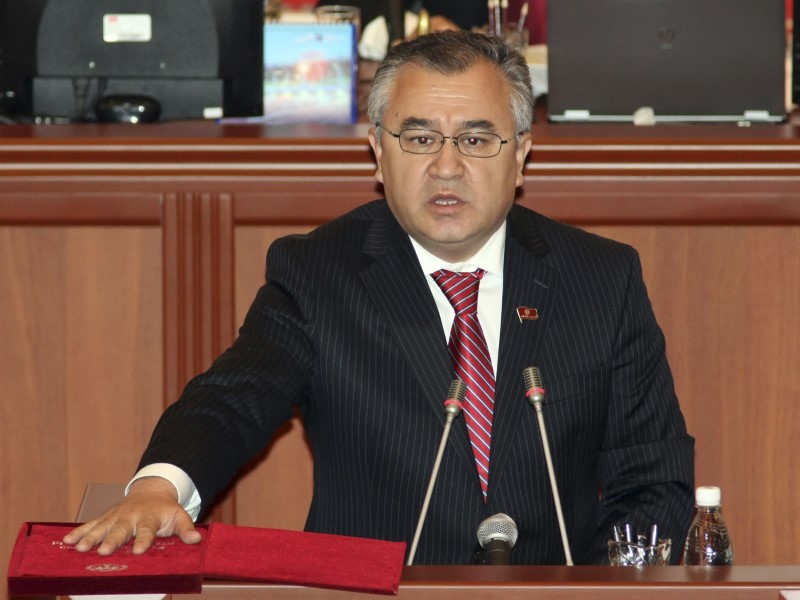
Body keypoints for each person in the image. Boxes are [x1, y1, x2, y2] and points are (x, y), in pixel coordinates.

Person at [65, 30, 694, 565]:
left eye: (476, 140)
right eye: (420, 139)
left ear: (521, 155)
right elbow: (233, 399)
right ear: (378, 151)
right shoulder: (318, 273)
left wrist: (608, 592)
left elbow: (654, 479)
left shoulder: (601, 278)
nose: (447, 167)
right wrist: (160, 486)